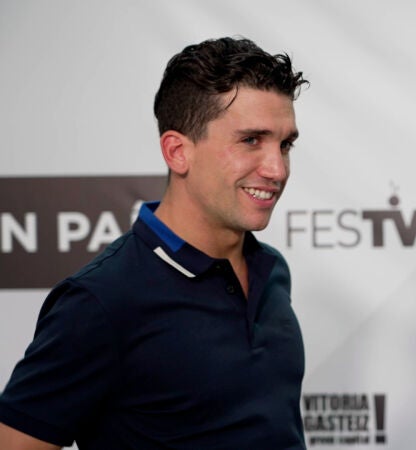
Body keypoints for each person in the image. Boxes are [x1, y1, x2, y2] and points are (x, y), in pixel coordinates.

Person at [0, 36, 309, 449]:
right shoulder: (101, 301)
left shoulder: (270, 269)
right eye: (251, 140)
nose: (277, 169)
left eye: (285, 144)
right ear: (177, 151)